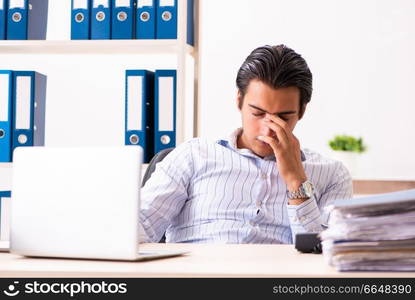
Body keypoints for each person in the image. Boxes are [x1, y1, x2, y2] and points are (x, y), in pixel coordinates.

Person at [140, 44, 352, 244]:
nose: (268, 129)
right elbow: (140, 226)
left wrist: (296, 180)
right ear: (239, 100)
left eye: (283, 118)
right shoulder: (192, 156)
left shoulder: (333, 175)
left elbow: (326, 254)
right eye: (258, 113)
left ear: (302, 111)